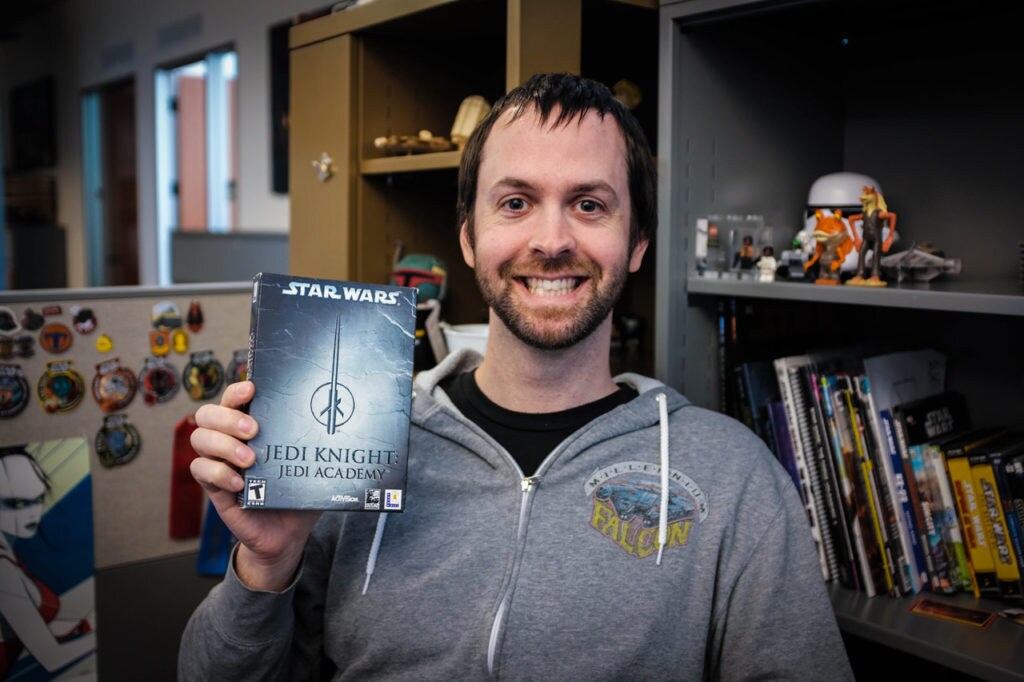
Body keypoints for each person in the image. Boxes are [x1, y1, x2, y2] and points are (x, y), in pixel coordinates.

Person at [180, 73, 853, 680]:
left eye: (590, 205)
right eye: (515, 203)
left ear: (638, 241)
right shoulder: (356, 448)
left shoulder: (734, 477)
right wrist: (266, 567)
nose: (552, 239)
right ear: (469, 235)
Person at [1, 447, 95, 676]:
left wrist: (88, 624)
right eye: (18, 503)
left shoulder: (8, 554)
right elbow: (51, 657)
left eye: (38, 499)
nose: (34, 512)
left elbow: (38, 628)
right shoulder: (4, 569)